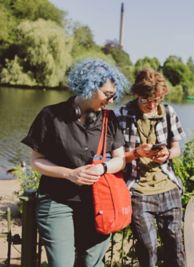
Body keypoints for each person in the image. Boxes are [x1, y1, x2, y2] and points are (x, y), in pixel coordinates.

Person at [21, 59, 128, 267]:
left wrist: (103, 167)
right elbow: (36, 162)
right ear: (88, 86)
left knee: (92, 263)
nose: (111, 100)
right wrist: (69, 174)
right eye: (107, 94)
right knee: (63, 264)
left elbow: (120, 160)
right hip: (57, 200)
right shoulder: (50, 116)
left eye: (114, 95)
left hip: (99, 203)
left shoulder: (110, 119)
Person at [116, 69, 186, 267]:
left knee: (176, 248)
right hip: (138, 191)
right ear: (137, 94)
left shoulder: (168, 112)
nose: (153, 105)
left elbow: (177, 149)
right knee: (148, 250)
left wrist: (167, 154)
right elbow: (116, 158)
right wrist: (137, 153)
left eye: (157, 100)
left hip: (168, 187)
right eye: (148, 100)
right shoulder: (121, 115)